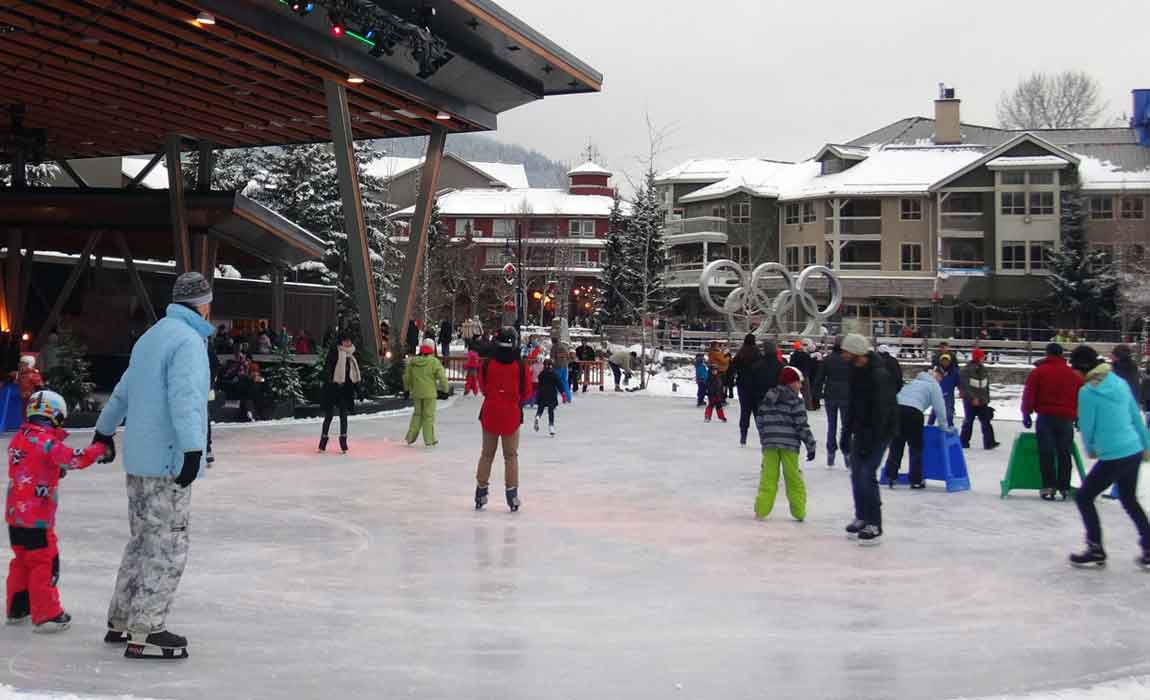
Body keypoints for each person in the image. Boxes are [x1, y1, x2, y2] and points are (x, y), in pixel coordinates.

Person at [92, 271, 215, 659]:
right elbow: (186, 399)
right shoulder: (188, 341)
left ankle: (123, 618)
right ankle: (146, 629)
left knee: (142, 541)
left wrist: (102, 431)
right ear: (202, 303)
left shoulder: (152, 337)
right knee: (168, 545)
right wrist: (193, 450)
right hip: (168, 461)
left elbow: (124, 391)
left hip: (140, 459)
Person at [6, 391, 109, 632]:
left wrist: (51, 470)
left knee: (21, 561)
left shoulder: (19, 438)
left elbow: (29, 465)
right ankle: (47, 614)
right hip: (37, 520)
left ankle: (18, 608)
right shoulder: (48, 443)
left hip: (15, 518)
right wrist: (99, 448)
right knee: (44, 563)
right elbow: (75, 459)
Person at [1065, 345, 1150, 570]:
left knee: (1084, 497)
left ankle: (1095, 548)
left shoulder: (1087, 392)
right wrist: (1146, 446)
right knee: (1129, 499)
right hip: (1132, 449)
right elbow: (1135, 415)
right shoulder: (1119, 382)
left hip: (1114, 455)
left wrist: (1091, 448)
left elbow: (1087, 425)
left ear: (1082, 368)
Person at [840, 333, 897, 545]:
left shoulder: (878, 375)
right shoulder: (855, 372)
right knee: (856, 474)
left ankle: (874, 523)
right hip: (861, 431)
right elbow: (852, 406)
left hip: (879, 432)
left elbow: (882, 412)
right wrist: (846, 434)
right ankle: (862, 516)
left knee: (866, 474)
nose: (843, 355)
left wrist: (870, 441)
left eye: (846, 352)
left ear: (856, 353)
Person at [475, 329, 532, 513]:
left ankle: (481, 492)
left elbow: (482, 386)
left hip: (490, 412)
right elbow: (527, 391)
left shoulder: (488, 363)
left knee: (487, 455)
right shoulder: (520, 366)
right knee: (510, 456)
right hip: (511, 415)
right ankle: (512, 493)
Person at [1021, 343, 1083, 501]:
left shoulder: (1039, 372)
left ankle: (1048, 486)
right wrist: (1079, 417)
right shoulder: (1072, 374)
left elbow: (1029, 393)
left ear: (1047, 354)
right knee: (1064, 452)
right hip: (1066, 418)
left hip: (1046, 417)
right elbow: (1080, 397)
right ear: (1062, 355)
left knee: (1046, 452)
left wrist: (1026, 413)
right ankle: (1064, 486)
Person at [753, 366, 815, 521]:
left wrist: (765, 437)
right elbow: (801, 425)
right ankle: (799, 511)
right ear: (789, 383)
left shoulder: (768, 398)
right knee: (793, 477)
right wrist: (810, 444)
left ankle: (761, 510)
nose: (800, 386)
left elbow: (760, 419)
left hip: (770, 445)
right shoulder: (795, 401)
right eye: (797, 382)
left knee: (768, 477)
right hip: (790, 446)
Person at [884, 368, 949, 488]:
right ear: (937, 377)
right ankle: (916, 479)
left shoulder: (914, 382)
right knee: (915, 447)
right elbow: (939, 408)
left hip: (897, 409)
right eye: (940, 377)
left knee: (897, 444)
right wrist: (944, 426)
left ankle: (890, 476)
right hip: (914, 412)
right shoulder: (934, 386)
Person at [318, 333, 360, 454]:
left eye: (349, 341)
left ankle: (343, 442)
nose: (348, 343)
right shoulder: (334, 353)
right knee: (329, 416)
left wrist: (359, 389)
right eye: (345, 341)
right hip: (332, 389)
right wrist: (330, 380)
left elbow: (354, 375)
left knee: (344, 416)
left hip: (345, 390)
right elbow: (327, 369)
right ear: (341, 342)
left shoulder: (351, 356)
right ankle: (323, 442)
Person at [403, 339, 449, 447]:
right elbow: (442, 377)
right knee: (428, 416)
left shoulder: (413, 362)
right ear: (432, 349)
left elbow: (407, 377)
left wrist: (406, 389)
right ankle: (429, 440)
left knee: (417, 415)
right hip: (430, 394)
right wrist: (445, 390)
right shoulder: (434, 362)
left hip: (417, 393)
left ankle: (410, 438)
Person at [818, 337, 851, 469]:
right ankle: (847, 452)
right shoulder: (848, 360)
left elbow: (820, 377)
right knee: (846, 426)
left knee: (832, 425)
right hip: (846, 394)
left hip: (830, 394)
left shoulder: (828, 359)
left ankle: (831, 453)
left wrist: (817, 393)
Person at [959, 348, 998, 450]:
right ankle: (963, 442)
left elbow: (986, 385)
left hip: (982, 400)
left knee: (986, 422)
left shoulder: (983, 369)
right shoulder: (966, 370)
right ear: (977, 358)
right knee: (968, 421)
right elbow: (965, 386)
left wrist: (987, 398)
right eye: (982, 357)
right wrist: (972, 398)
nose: (983, 358)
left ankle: (989, 442)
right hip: (970, 401)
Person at [732, 334, 762, 445]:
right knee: (757, 412)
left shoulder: (741, 353)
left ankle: (743, 436)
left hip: (743, 386)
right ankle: (762, 435)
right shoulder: (758, 354)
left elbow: (733, 366)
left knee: (744, 411)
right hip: (756, 386)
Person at [929, 354, 959, 428]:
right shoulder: (936, 371)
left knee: (949, 413)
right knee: (934, 412)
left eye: (947, 361)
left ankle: (950, 427)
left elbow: (958, 382)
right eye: (943, 360)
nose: (945, 362)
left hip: (949, 395)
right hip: (938, 394)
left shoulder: (954, 372)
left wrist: (961, 389)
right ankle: (929, 427)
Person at [533, 358, 561, 436]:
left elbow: (539, 383)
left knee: (541, 408)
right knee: (550, 411)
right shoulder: (554, 374)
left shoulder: (542, 374)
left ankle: (538, 417)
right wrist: (563, 393)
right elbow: (559, 384)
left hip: (542, 394)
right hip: (551, 395)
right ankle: (551, 426)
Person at [551, 338, 573, 403]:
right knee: (565, 382)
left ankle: (553, 399)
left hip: (557, 367)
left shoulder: (554, 347)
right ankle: (568, 398)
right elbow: (569, 357)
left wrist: (552, 364)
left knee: (555, 383)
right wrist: (566, 363)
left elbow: (552, 358)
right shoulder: (564, 346)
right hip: (565, 367)